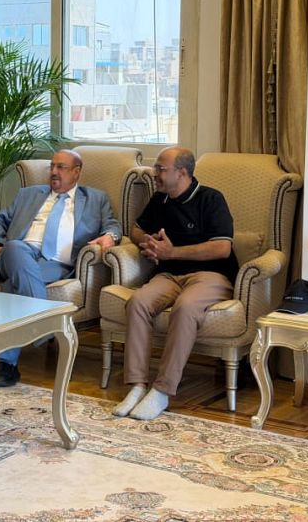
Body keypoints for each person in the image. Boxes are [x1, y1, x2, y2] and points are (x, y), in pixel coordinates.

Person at [113, 146, 238, 421]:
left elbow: (222, 248)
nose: (154, 173)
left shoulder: (211, 198)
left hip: (210, 275)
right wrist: (148, 243)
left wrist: (172, 253)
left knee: (186, 307)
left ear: (181, 172)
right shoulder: (160, 199)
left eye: (160, 168)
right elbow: (136, 229)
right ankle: (137, 385)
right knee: (138, 302)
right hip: (169, 275)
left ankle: (162, 390)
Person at [0, 149, 121, 387]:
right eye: (52, 166)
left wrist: (110, 236)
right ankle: (44, 325)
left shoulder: (96, 199)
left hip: (57, 265)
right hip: (16, 255)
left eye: (61, 167)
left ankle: (8, 365)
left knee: (13, 286)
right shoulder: (29, 194)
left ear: (76, 172)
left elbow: (113, 225)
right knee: (15, 247)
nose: (54, 172)